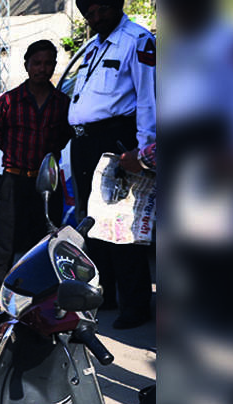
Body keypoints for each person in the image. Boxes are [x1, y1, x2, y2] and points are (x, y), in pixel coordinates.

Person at [68, 0, 155, 329]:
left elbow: (148, 98)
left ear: (117, 4)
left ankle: (136, 305)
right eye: (88, 12)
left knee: (121, 226)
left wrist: (143, 152)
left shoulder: (138, 40)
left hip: (117, 141)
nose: (95, 16)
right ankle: (107, 294)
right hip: (86, 143)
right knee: (93, 223)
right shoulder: (93, 46)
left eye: (101, 8)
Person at [0, 40, 73, 309]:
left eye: (48, 63)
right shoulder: (9, 100)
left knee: (46, 238)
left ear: (54, 66)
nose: (42, 68)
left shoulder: (62, 103)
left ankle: (40, 292)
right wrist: (19, 158)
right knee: (4, 238)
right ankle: (0, 292)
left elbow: (64, 137)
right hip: (13, 177)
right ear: (26, 65)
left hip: (47, 181)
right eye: (36, 63)